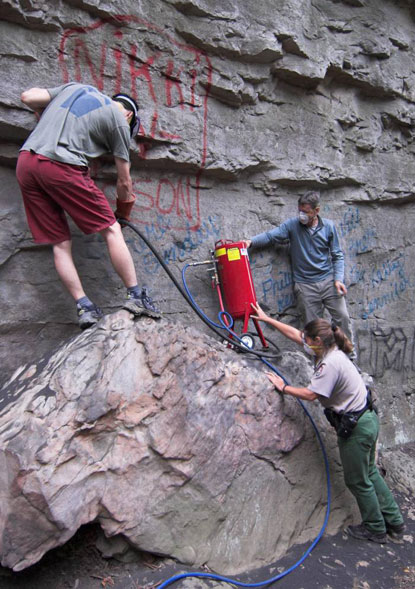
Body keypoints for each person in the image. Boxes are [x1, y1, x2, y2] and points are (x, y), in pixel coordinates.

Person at [251, 301, 405, 544]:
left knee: (357, 480)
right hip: (367, 419)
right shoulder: (329, 349)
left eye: (308, 338)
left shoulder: (330, 364)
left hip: (356, 428)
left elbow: (312, 394)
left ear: (318, 342)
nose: (304, 340)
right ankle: (395, 522)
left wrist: (284, 387)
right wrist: (267, 319)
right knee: (371, 472)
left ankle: (376, 528)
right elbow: (295, 335)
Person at [16, 82, 160, 329]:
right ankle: (136, 296)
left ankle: (84, 306)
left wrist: (47, 120)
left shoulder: (75, 88)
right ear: (129, 115)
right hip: (62, 166)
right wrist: (122, 212)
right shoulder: (118, 120)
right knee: (111, 230)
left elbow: (27, 96)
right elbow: (124, 180)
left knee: (60, 243)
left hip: (26, 163)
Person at [245, 191, 354, 347]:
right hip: (305, 285)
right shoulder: (292, 225)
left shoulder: (329, 227)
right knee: (313, 330)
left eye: (306, 212)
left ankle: (349, 359)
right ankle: (319, 365)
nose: (302, 215)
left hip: (328, 281)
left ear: (317, 211)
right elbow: (271, 236)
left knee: (343, 318)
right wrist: (251, 241)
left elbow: (337, 255)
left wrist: (338, 279)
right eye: (300, 211)